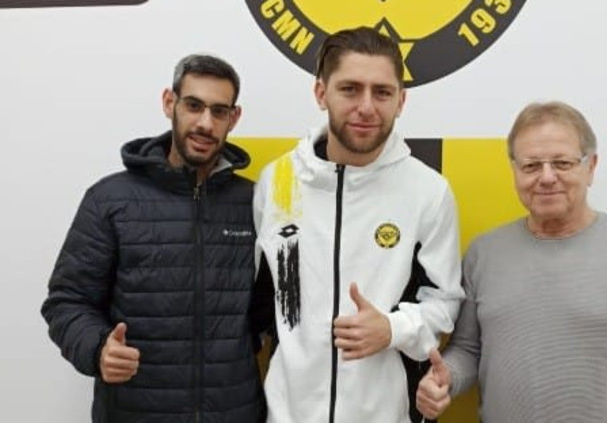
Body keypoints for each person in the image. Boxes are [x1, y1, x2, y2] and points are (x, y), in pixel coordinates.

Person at [416, 101, 607, 422]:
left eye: (562, 163)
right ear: (514, 170)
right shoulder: (483, 254)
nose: (547, 177)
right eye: (531, 165)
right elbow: (468, 350)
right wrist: (446, 378)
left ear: (591, 166)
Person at [41, 54, 272, 423]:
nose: (205, 123)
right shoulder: (110, 199)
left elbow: (271, 309)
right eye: (194, 106)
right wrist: (98, 348)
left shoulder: (256, 201)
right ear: (169, 102)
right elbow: (67, 301)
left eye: (219, 111)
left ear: (234, 117)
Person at [252, 27, 464, 423]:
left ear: (401, 101)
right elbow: (262, 304)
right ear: (321, 93)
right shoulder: (277, 181)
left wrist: (393, 328)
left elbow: (445, 301)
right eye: (350, 89)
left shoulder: (428, 191)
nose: (366, 107)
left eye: (382, 92)